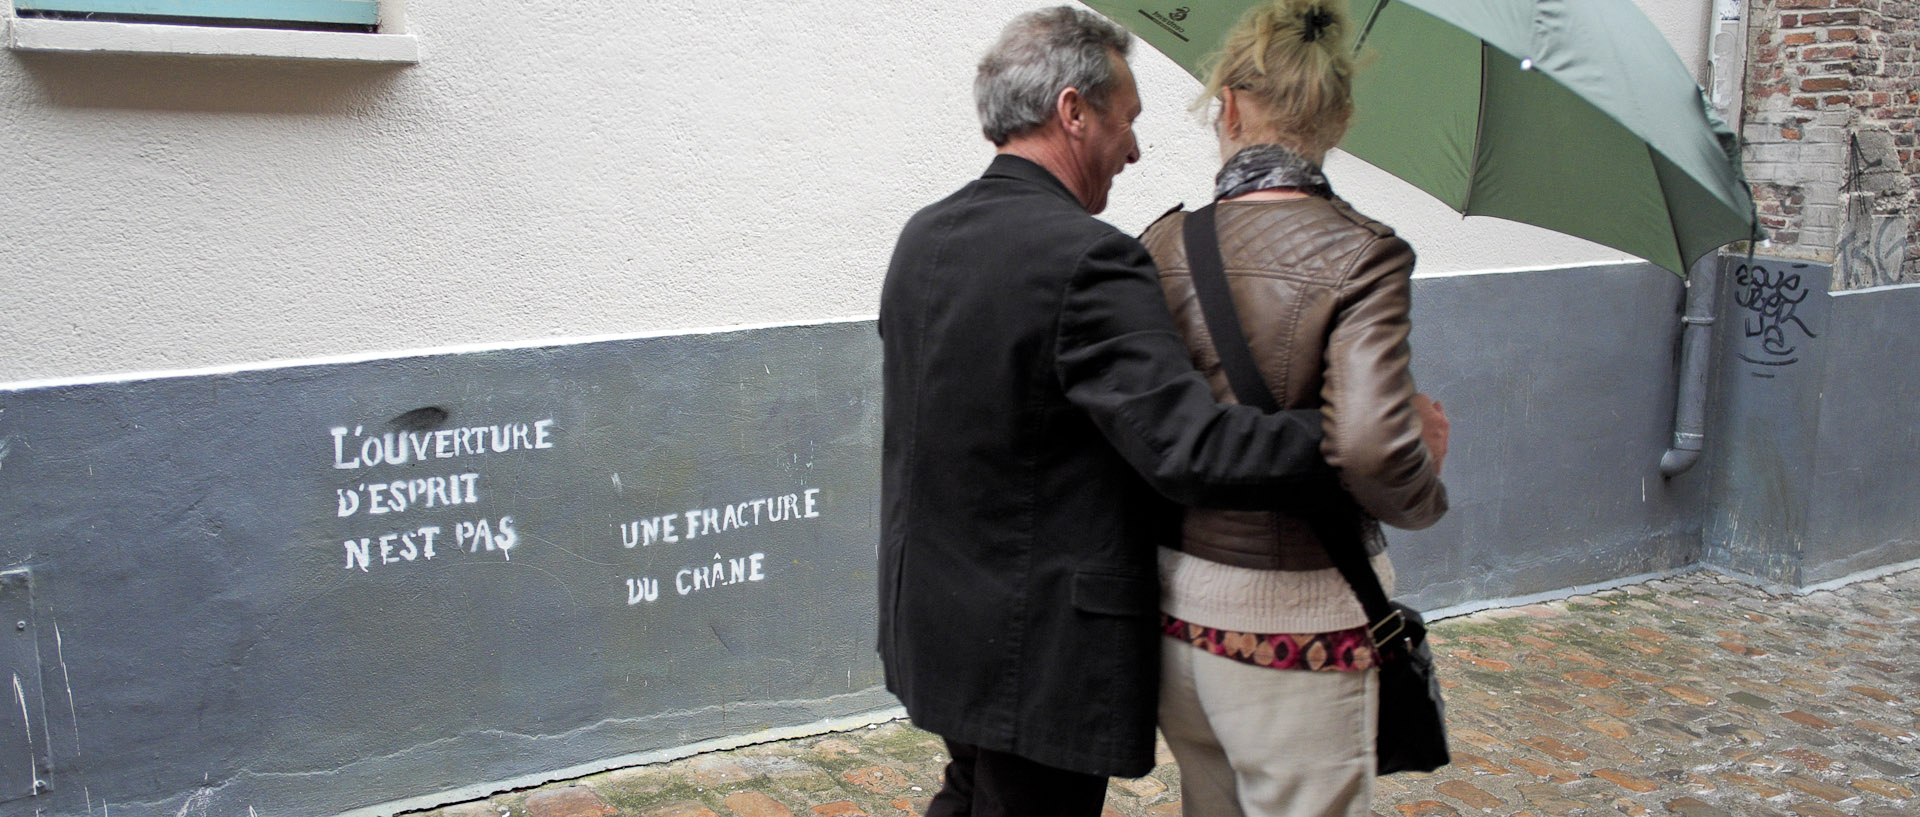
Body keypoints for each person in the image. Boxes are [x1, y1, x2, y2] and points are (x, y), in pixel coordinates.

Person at [877, 7, 1345, 816]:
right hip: (1036, 645)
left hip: (938, 618)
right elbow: (1190, 449)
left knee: (971, 790)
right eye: (1127, 123)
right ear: (1072, 111)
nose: (1134, 149)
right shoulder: (1090, 258)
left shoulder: (925, 234)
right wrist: (1348, 433)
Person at [1140, 2, 1451, 816]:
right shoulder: (1364, 254)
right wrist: (1425, 473)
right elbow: (1375, 448)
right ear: (1338, 119)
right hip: (1302, 623)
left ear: (1231, 106)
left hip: (1176, 615)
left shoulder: (1164, 245)